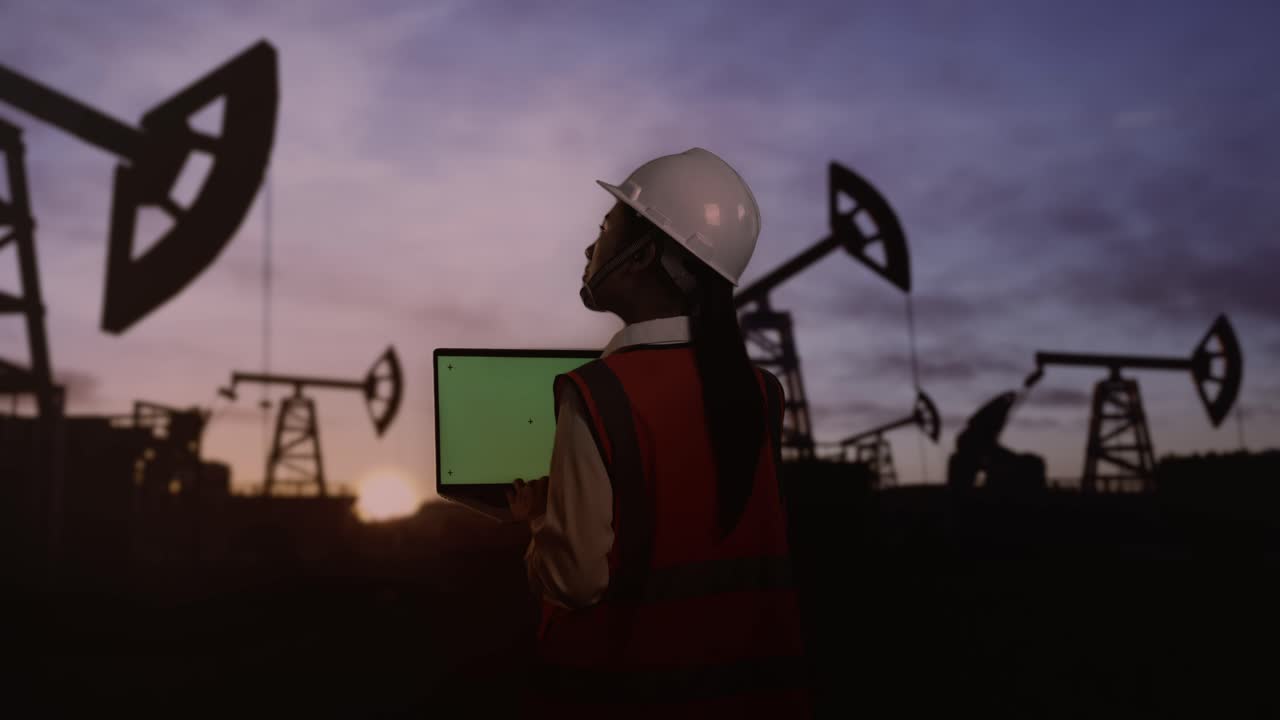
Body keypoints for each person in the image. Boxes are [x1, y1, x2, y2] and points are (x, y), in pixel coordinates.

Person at [506, 148, 811, 718]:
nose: (589, 247)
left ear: (643, 254)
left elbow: (576, 580)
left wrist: (539, 519)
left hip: (637, 692)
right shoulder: (762, 391)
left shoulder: (597, 391)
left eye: (604, 228)